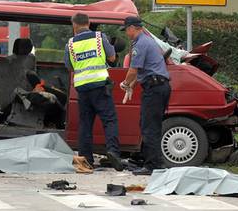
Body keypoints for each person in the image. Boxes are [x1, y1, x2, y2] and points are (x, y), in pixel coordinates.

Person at [64, 13, 123, 171]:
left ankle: (86, 160)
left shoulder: (70, 44)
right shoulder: (99, 37)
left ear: (74, 25)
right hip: (100, 86)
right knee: (109, 120)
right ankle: (112, 152)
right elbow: (111, 58)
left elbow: (69, 67)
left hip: (82, 89)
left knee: (85, 124)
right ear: (88, 23)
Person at [120, 16, 171, 175]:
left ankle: (152, 166)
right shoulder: (148, 41)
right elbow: (144, 71)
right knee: (148, 125)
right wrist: (133, 84)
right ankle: (150, 161)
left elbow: (133, 70)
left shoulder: (140, 44)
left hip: (154, 88)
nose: (127, 33)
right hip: (158, 86)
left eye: (127, 30)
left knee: (150, 127)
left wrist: (126, 84)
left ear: (132, 28)